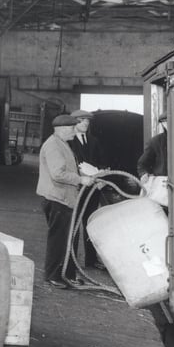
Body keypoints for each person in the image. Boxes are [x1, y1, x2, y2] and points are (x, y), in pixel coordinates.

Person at [37, 114, 95, 289]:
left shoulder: (62, 144)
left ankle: (67, 274)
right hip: (58, 199)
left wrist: (83, 174)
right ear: (62, 129)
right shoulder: (54, 146)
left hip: (64, 198)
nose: (74, 131)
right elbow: (58, 174)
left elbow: (67, 167)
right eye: (72, 129)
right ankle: (54, 276)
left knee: (66, 239)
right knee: (58, 240)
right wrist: (80, 180)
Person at [68, 109, 107, 270]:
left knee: (90, 224)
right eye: (82, 120)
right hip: (76, 189)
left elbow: (103, 162)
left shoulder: (95, 141)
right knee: (74, 224)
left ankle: (91, 260)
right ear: (74, 122)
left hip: (93, 190)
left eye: (87, 121)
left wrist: (102, 177)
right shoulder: (68, 142)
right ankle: (72, 260)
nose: (85, 123)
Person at [137, 112, 168, 181]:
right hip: (162, 182)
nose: (168, 124)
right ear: (162, 124)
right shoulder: (155, 141)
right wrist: (143, 174)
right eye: (165, 122)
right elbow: (142, 164)